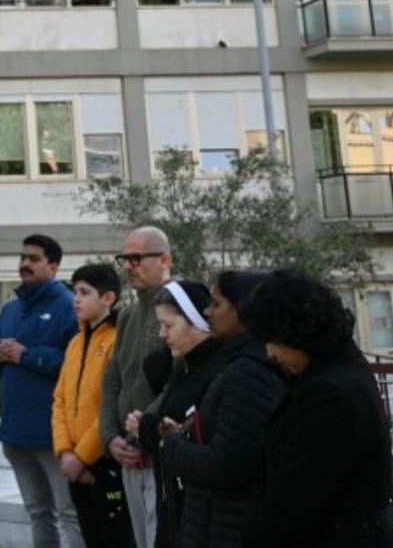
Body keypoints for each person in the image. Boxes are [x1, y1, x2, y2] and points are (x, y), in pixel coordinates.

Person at [237, 271, 393, 548]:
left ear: (294, 331)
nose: (270, 353)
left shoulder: (329, 395)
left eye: (271, 339)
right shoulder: (343, 371)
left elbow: (295, 504)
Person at [157, 270, 285, 548]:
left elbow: (226, 464)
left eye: (216, 304)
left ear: (243, 310)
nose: (207, 310)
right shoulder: (235, 363)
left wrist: (173, 442)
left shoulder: (249, 372)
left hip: (230, 527)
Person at [0, 234, 83, 548]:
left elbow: (79, 364)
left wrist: (26, 355)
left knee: (70, 515)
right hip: (15, 434)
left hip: (54, 436)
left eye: (34, 259)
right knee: (38, 513)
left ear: (53, 267)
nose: (24, 264)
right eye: (22, 257)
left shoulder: (71, 307)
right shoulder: (10, 310)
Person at [127, 280, 225, 548]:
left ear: (198, 322)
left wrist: (150, 428)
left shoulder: (219, 371)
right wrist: (146, 428)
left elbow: (197, 435)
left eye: (169, 325)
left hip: (200, 517)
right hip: (174, 511)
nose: (161, 334)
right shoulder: (184, 367)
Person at [52, 262, 135, 548]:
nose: (76, 299)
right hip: (74, 463)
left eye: (85, 292)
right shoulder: (75, 343)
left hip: (106, 464)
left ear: (108, 299)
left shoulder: (119, 340)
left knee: (117, 536)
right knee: (90, 537)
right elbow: (60, 399)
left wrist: (83, 457)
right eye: (75, 291)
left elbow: (113, 405)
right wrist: (65, 453)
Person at [98, 226, 172, 548]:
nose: (127, 266)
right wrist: (110, 438)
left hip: (162, 452)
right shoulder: (127, 315)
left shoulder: (180, 310)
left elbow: (182, 382)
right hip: (128, 454)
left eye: (136, 258)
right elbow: (113, 379)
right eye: (124, 258)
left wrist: (145, 432)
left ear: (165, 259)